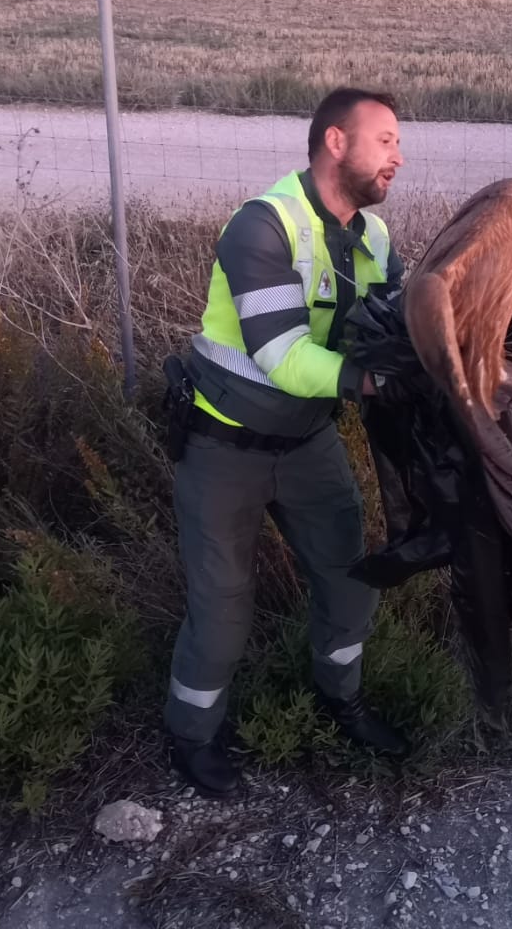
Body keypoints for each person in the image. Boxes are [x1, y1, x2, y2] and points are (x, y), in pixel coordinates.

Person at [162, 87, 410, 796]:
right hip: (222, 450)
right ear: (336, 142)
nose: (399, 154)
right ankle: (190, 737)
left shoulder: (375, 238)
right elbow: (282, 357)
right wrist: (375, 384)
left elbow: (404, 320)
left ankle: (342, 701)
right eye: (385, 139)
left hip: (306, 445)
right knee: (222, 610)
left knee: (350, 582)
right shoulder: (262, 227)